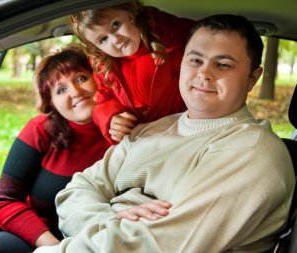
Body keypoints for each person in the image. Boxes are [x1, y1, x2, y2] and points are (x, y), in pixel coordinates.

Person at [34, 14, 296, 253]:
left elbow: (154, 247)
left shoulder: (251, 154)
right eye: (195, 60)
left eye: (223, 65)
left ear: (252, 78)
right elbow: (75, 191)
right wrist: (110, 220)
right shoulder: (153, 128)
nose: (204, 73)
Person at [0, 45, 111, 252]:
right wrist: (54, 248)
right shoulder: (41, 130)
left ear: (98, 79)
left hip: (69, 235)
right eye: (61, 90)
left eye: (81, 78)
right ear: (51, 103)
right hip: (23, 217)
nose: (76, 91)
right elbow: (7, 200)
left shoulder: (125, 132)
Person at [70, 1, 195, 144]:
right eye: (103, 39)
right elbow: (104, 99)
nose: (116, 39)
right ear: (96, 47)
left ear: (131, 12)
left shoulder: (170, 32)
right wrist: (111, 119)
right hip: (143, 139)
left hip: (187, 126)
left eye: (116, 25)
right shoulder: (104, 65)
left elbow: (211, 36)